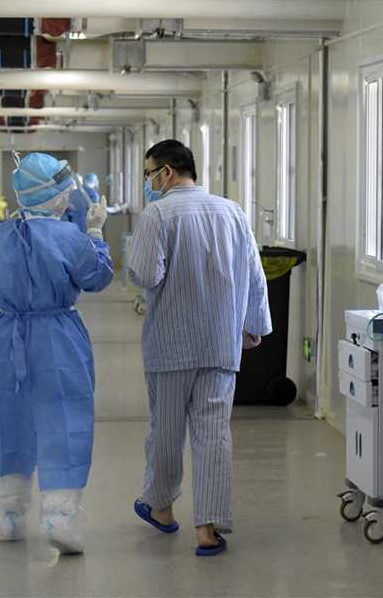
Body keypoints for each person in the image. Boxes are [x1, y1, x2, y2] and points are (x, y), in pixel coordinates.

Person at [0, 151, 113, 554]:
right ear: (53, 195)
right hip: (59, 339)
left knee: (9, 423)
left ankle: (8, 517)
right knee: (64, 422)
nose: (67, 200)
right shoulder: (70, 237)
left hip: (6, 339)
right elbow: (97, 278)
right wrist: (97, 234)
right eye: (63, 193)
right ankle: (61, 519)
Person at [125, 139, 271, 557]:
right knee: (213, 433)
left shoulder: (158, 214)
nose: (149, 183)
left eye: (150, 174)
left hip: (169, 346)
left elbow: (145, 275)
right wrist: (255, 324)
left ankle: (161, 508)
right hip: (221, 344)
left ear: (167, 172)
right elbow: (254, 273)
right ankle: (209, 529)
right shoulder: (232, 211)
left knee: (166, 431)